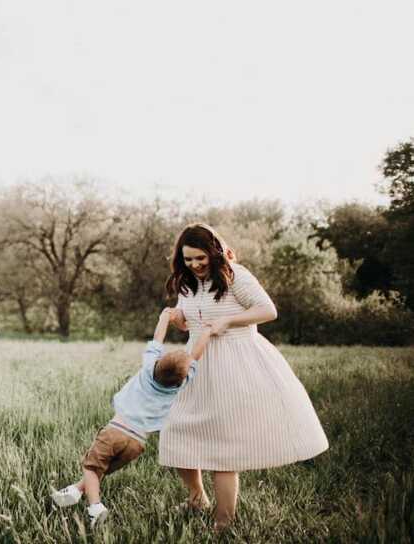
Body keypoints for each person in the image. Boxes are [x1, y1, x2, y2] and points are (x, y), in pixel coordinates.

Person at [159, 224, 329, 531]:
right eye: (188, 259)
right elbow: (189, 324)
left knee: (222, 445)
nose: (195, 265)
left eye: (200, 258)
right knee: (176, 431)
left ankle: (224, 519)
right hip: (195, 361)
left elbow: (268, 310)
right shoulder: (187, 283)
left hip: (233, 362)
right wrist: (176, 317)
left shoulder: (234, 274)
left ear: (215, 252)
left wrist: (229, 320)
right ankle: (198, 499)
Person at [51, 309, 212, 529]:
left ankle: (95, 507)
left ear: (158, 362)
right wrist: (208, 331)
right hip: (138, 443)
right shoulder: (178, 387)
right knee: (102, 469)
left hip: (116, 430)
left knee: (91, 467)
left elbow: (157, 339)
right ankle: (75, 491)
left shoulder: (148, 368)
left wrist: (164, 318)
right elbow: (195, 356)